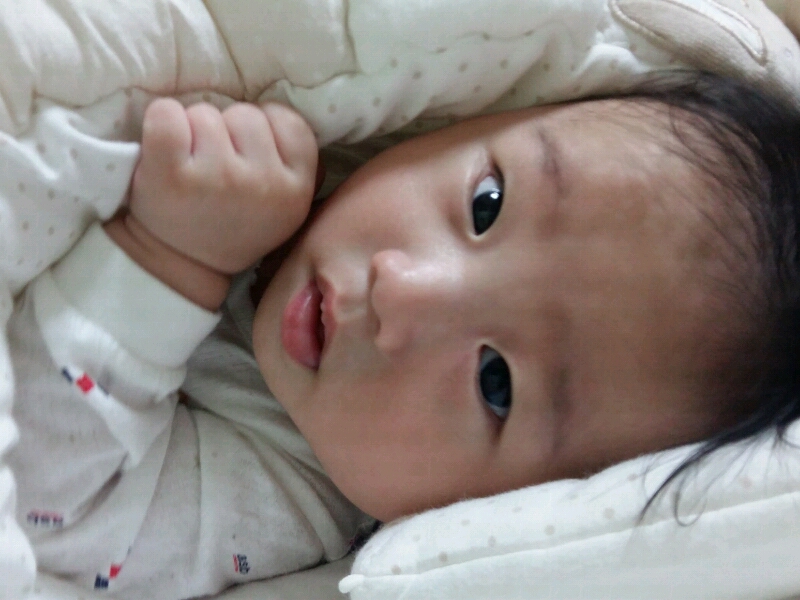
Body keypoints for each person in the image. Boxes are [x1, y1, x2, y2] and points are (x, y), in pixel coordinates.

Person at [7, 71, 800, 599]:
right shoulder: (352, 108)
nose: (404, 289)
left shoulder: (291, 492)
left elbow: (52, 513)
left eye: (497, 383)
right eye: (487, 204)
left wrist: (166, 261)